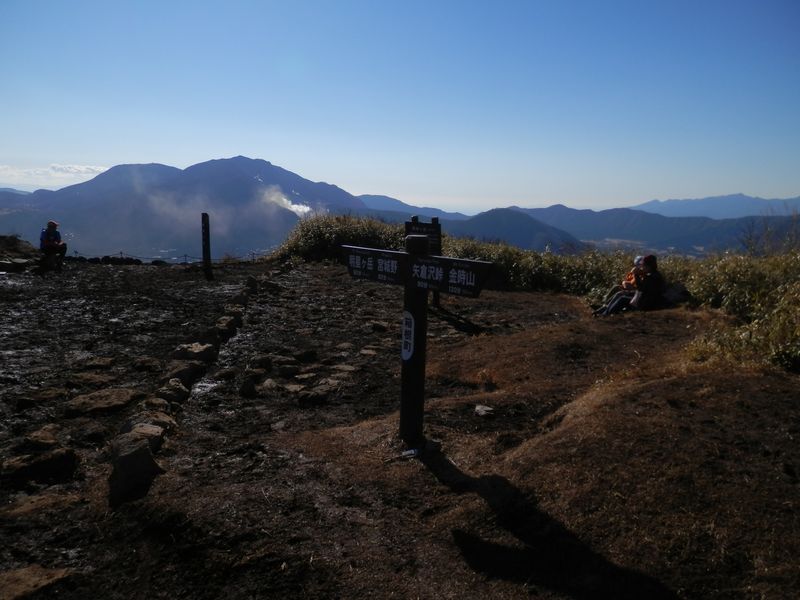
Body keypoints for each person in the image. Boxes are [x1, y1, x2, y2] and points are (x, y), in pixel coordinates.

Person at [595, 254, 665, 316]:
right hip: (646, 299)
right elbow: (642, 290)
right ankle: (605, 310)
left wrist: (636, 275)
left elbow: (640, 289)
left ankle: (606, 314)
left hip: (646, 303)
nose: (642, 267)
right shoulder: (654, 274)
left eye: (643, 265)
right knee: (620, 294)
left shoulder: (651, 277)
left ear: (648, 266)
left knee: (622, 299)